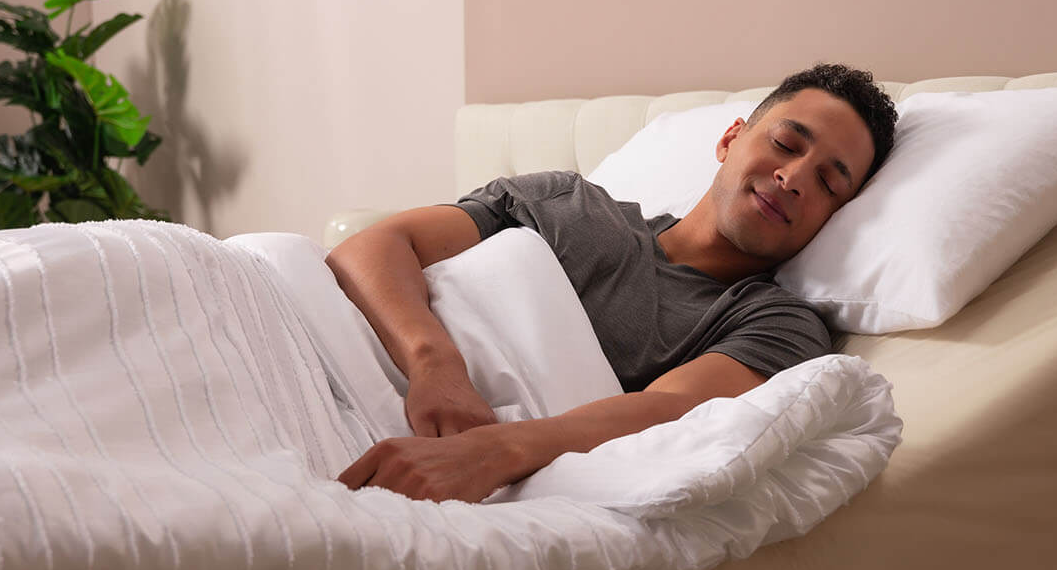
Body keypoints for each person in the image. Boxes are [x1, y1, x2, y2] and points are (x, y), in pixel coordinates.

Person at [329, 63, 897, 503]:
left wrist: (492, 451)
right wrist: (434, 364)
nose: (793, 177)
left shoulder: (776, 325)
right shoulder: (566, 202)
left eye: (828, 181)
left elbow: (671, 414)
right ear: (730, 139)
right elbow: (374, 246)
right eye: (785, 144)